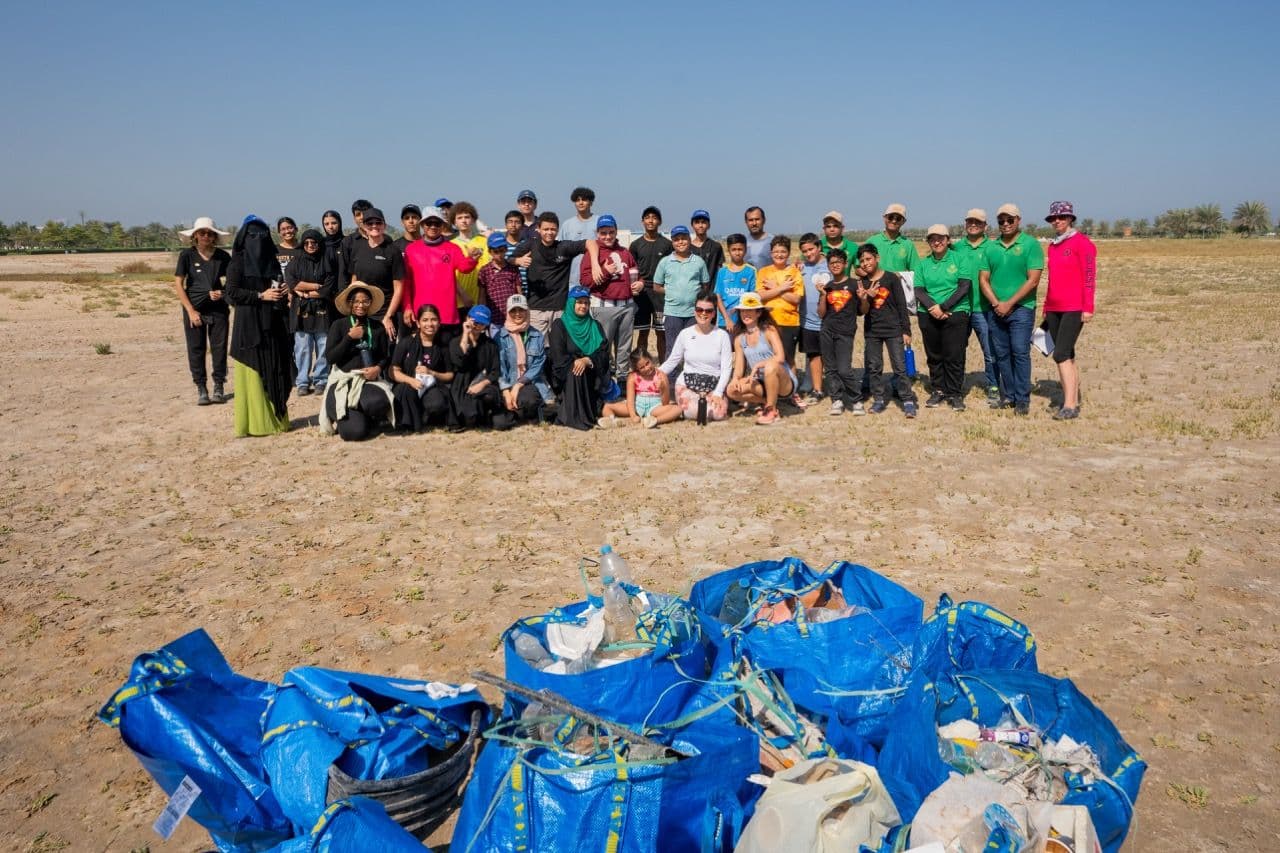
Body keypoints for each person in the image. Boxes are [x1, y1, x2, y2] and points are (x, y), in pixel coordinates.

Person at [225, 217, 295, 437]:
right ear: (244, 238)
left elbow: (277, 290)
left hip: (272, 323)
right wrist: (260, 296)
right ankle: (257, 423)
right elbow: (231, 292)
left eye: (263, 235)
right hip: (249, 326)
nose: (258, 240)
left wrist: (283, 291)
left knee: (275, 368)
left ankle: (277, 420)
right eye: (252, 235)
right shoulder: (238, 262)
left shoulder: (272, 262)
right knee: (254, 371)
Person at [980, 204, 1044, 416]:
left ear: (1018, 220)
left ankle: (1022, 398)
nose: (1006, 224)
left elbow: (1033, 280)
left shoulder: (1031, 244)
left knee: (1020, 352)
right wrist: (996, 303)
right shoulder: (991, 247)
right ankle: (1009, 395)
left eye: (1010, 220)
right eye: (1002, 221)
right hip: (996, 309)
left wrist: (1009, 303)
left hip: (1022, 309)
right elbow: (983, 279)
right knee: (1002, 354)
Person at [860, 203, 920, 402]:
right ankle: (869, 384)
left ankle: (898, 385)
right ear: (884, 218)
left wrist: (899, 275)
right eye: (890, 217)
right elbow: (859, 267)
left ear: (903, 221)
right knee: (871, 349)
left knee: (897, 349)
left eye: (898, 218)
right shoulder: (873, 241)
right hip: (874, 302)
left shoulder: (907, 245)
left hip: (895, 302)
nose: (894, 221)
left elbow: (916, 272)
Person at [1043, 201, 1096, 420]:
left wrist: (1088, 307)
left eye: (1062, 217)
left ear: (1070, 218)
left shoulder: (1083, 243)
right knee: (1068, 355)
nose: (1057, 221)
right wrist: (1046, 307)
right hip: (1054, 308)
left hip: (1074, 308)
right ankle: (1071, 397)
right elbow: (1052, 279)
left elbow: (1089, 277)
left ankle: (1070, 406)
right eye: (1053, 218)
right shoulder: (1053, 246)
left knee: (1061, 354)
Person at [321, 282, 395, 440]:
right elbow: (330, 358)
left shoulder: (376, 327)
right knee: (353, 433)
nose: (360, 305)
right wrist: (349, 337)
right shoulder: (339, 325)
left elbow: (385, 357)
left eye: (365, 301)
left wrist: (377, 368)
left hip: (368, 381)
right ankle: (352, 416)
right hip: (343, 380)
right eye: (356, 301)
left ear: (370, 303)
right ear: (350, 303)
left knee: (380, 401)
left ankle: (367, 416)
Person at [915, 224, 974, 411]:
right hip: (928, 313)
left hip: (955, 312)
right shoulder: (923, 264)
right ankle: (938, 390)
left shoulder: (960, 259)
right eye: (932, 239)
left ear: (948, 240)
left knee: (954, 355)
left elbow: (964, 286)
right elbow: (919, 290)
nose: (937, 242)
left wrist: (944, 307)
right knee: (934, 355)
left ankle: (955, 393)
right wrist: (933, 308)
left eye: (940, 238)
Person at [174, 217, 231, 405]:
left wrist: (222, 293)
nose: (206, 236)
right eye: (202, 233)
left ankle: (219, 386)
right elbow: (178, 284)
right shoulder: (187, 256)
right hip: (194, 308)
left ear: (214, 236)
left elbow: (233, 281)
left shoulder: (223, 257)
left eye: (210, 233)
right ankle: (201, 387)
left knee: (219, 348)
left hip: (218, 309)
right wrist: (190, 310)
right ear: (195, 236)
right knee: (196, 348)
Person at [515, 211, 602, 334]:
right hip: (536, 310)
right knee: (536, 345)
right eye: (546, 229)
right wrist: (518, 260)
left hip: (560, 310)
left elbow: (591, 243)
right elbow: (508, 259)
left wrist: (595, 265)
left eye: (553, 229)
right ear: (538, 229)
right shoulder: (530, 245)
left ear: (557, 230)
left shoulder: (563, 247)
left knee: (559, 344)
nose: (549, 232)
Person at [856, 244, 917, 418]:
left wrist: (906, 330)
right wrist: (866, 297)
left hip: (894, 330)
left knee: (899, 367)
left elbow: (901, 305)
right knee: (874, 367)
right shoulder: (862, 283)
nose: (866, 263)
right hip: (872, 331)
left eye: (869, 259)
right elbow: (862, 311)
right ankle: (878, 399)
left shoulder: (891, 278)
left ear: (877, 258)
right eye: (862, 261)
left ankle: (907, 400)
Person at [401, 209, 481, 340]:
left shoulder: (452, 248)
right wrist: (407, 307)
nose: (433, 226)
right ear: (422, 225)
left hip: (447, 314)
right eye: (429, 223)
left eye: (437, 223)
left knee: (447, 351)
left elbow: (464, 268)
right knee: (423, 351)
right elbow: (406, 282)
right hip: (422, 314)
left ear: (442, 226)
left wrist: (472, 259)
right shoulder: (411, 249)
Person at [658, 292, 733, 423]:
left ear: (714, 313)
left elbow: (726, 368)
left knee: (718, 413)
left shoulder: (722, 336)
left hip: (713, 386)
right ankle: (689, 408)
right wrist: (654, 374)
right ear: (694, 311)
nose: (703, 313)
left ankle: (690, 408)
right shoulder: (685, 334)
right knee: (696, 411)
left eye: (708, 311)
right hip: (687, 385)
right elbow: (672, 360)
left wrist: (718, 393)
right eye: (699, 309)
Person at [583, 214, 640, 384]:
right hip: (604, 306)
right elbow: (585, 281)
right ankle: (604, 380)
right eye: (603, 233)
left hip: (627, 305)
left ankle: (622, 378)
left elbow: (635, 273)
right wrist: (606, 272)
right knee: (603, 347)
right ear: (597, 233)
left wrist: (640, 284)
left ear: (616, 232)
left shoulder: (625, 252)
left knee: (624, 346)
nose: (607, 236)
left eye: (611, 232)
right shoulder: (593, 253)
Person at [953, 209, 1001, 402]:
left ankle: (993, 386)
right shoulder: (956, 248)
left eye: (978, 222)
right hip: (960, 308)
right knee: (957, 350)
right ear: (965, 224)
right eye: (970, 221)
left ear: (985, 226)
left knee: (990, 351)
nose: (973, 225)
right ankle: (956, 386)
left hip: (984, 309)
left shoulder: (993, 247)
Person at [726, 293, 796, 426]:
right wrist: (735, 379)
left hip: (783, 381)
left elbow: (780, 357)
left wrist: (759, 365)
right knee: (731, 390)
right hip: (760, 381)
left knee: (770, 366)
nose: (745, 314)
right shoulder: (739, 338)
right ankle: (767, 402)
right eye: (743, 311)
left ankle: (771, 410)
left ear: (758, 313)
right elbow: (739, 367)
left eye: (750, 310)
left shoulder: (769, 330)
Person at [548, 287, 612, 430]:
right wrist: (575, 361)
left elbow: (603, 354)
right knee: (576, 370)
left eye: (586, 303)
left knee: (580, 368)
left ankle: (582, 415)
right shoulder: (559, 325)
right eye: (579, 302)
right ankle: (576, 417)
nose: (583, 306)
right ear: (571, 303)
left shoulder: (595, 325)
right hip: (566, 375)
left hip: (592, 374)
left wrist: (587, 360)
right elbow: (558, 357)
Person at [338, 207, 404, 341]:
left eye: (378, 222)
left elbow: (399, 288)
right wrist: (353, 311)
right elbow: (354, 280)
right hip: (362, 311)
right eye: (370, 223)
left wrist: (388, 317)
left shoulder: (393, 251)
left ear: (384, 225)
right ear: (363, 226)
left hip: (384, 314)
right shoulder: (357, 249)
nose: (374, 226)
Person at [285, 229, 336, 396]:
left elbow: (328, 288)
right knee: (303, 348)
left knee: (323, 346)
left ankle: (321, 379)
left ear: (319, 243)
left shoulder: (326, 261)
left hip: (322, 310)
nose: (310, 245)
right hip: (301, 311)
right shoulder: (296, 261)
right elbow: (292, 282)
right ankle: (302, 381)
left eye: (313, 242)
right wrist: (314, 286)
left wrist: (304, 291)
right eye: (306, 243)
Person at [390, 303, 455, 431]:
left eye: (434, 320)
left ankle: (427, 415)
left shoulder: (443, 346)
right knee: (407, 391)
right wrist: (411, 380)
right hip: (407, 386)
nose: (430, 324)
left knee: (437, 404)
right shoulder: (406, 342)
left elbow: (450, 375)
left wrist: (432, 372)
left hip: (431, 386)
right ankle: (411, 421)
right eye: (425, 320)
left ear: (439, 323)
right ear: (418, 323)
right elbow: (393, 371)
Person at [815, 248, 862, 415]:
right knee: (830, 368)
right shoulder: (827, 286)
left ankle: (856, 399)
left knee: (844, 369)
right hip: (827, 330)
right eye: (831, 263)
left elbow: (862, 311)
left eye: (838, 262)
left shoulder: (855, 284)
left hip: (846, 332)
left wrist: (863, 298)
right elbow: (821, 314)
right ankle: (837, 400)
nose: (835, 265)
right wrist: (822, 295)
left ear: (845, 264)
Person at [654, 225, 710, 362]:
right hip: (672, 313)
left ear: (689, 240)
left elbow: (705, 285)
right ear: (672, 242)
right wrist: (672, 292)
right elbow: (657, 287)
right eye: (676, 239)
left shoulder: (699, 262)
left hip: (693, 313)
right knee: (672, 348)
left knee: (693, 348)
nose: (680, 242)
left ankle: (691, 374)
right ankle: (672, 375)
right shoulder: (665, 262)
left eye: (683, 238)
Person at [493, 293, 551, 424]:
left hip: (528, 383)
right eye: (513, 310)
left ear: (527, 311)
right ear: (508, 312)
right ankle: (516, 412)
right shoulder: (499, 337)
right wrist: (506, 391)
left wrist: (518, 385)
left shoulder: (537, 335)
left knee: (530, 400)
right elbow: (499, 367)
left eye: (521, 310)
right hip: (506, 383)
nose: (517, 314)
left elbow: (538, 365)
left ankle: (530, 411)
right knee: (500, 423)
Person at [449, 305, 506, 430]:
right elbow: (459, 362)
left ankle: (488, 413)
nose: (477, 326)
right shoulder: (454, 342)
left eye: (482, 323)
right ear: (467, 319)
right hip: (463, 386)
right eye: (475, 322)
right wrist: (465, 335)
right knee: (469, 420)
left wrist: (481, 384)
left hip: (484, 386)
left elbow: (495, 371)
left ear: (486, 326)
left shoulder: (490, 344)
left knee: (501, 423)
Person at [629, 206, 673, 358]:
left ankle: (663, 365)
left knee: (661, 332)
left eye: (654, 218)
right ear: (642, 221)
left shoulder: (667, 244)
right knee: (643, 331)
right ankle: (642, 364)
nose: (651, 220)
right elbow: (631, 269)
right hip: (642, 293)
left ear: (659, 221)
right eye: (647, 217)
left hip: (660, 293)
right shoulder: (635, 245)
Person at [755, 235, 803, 372]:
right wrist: (781, 288)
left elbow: (796, 299)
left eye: (783, 251)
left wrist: (774, 288)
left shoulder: (794, 272)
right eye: (776, 252)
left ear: (788, 253)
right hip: (767, 321)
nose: (779, 255)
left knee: (788, 358)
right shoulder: (764, 272)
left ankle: (792, 385)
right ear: (771, 253)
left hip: (789, 322)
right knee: (769, 357)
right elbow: (760, 296)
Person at [598, 351, 682, 429]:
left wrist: (662, 388)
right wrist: (633, 415)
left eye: (647, 363)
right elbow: (630, 400)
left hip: (655, 407)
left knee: (678, 409)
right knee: (607, 407)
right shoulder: (633, 377)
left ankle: (655, 421)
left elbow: (665, 403)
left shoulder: (661, 375)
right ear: (636, 369)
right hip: (637, 406)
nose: (646, 368)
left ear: (651, 359)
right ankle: (612, 421)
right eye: (642, 367)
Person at [797, 233, 831, 403]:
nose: (808, 253)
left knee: (829, 355)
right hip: (807, 321)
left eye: (811, 249)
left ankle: (834, 385)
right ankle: (813, 385)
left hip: (827, 320)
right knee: (813, 354)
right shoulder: (802, 268)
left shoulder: (830, 265)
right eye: (804, 251)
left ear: (819, 247)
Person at [478, 231, 523, 329]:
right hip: (494, 319)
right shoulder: (484, 271)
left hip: (512, 317)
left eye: (502, 250)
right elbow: (482, 297)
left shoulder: (513, 269)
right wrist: (482, 317)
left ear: (506, 249)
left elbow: (519, 293)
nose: (499, 254)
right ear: (489, 252)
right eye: (496, 251)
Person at [449, 201, 489, 308]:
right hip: (460, 301)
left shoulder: (484, 241)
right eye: (459, 218)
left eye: (467, 217)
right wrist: (462, 294)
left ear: (473, 220)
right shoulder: (450, 245)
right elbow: (450, 275)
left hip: (482, 298)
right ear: (454, 222)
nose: (464, 221)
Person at [714, 233, 757, 329]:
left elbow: (753, 296)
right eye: (734, 249)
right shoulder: (722, 271)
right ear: (728, 250)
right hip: (724, 321)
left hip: (744, 321)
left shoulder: (751, 271)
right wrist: (727, 319)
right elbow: (718, 297)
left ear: (745, 250)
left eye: (740, 249)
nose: (737, 253)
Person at [690, 209, 724, 285]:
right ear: (692, 225)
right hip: (692, 289)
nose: (700, 225)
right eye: (697, 222)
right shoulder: (687, 248)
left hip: (711, 289)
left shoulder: (716, 247)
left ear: (709, 225)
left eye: (703, 222)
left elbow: (720, 269)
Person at [275, 217, 300, 284]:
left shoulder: (304, 250)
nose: (287, 231)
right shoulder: (273, 250)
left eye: (290, 228)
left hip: (299, 289)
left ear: (296, 229)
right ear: (279, 233)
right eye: (283, 229)